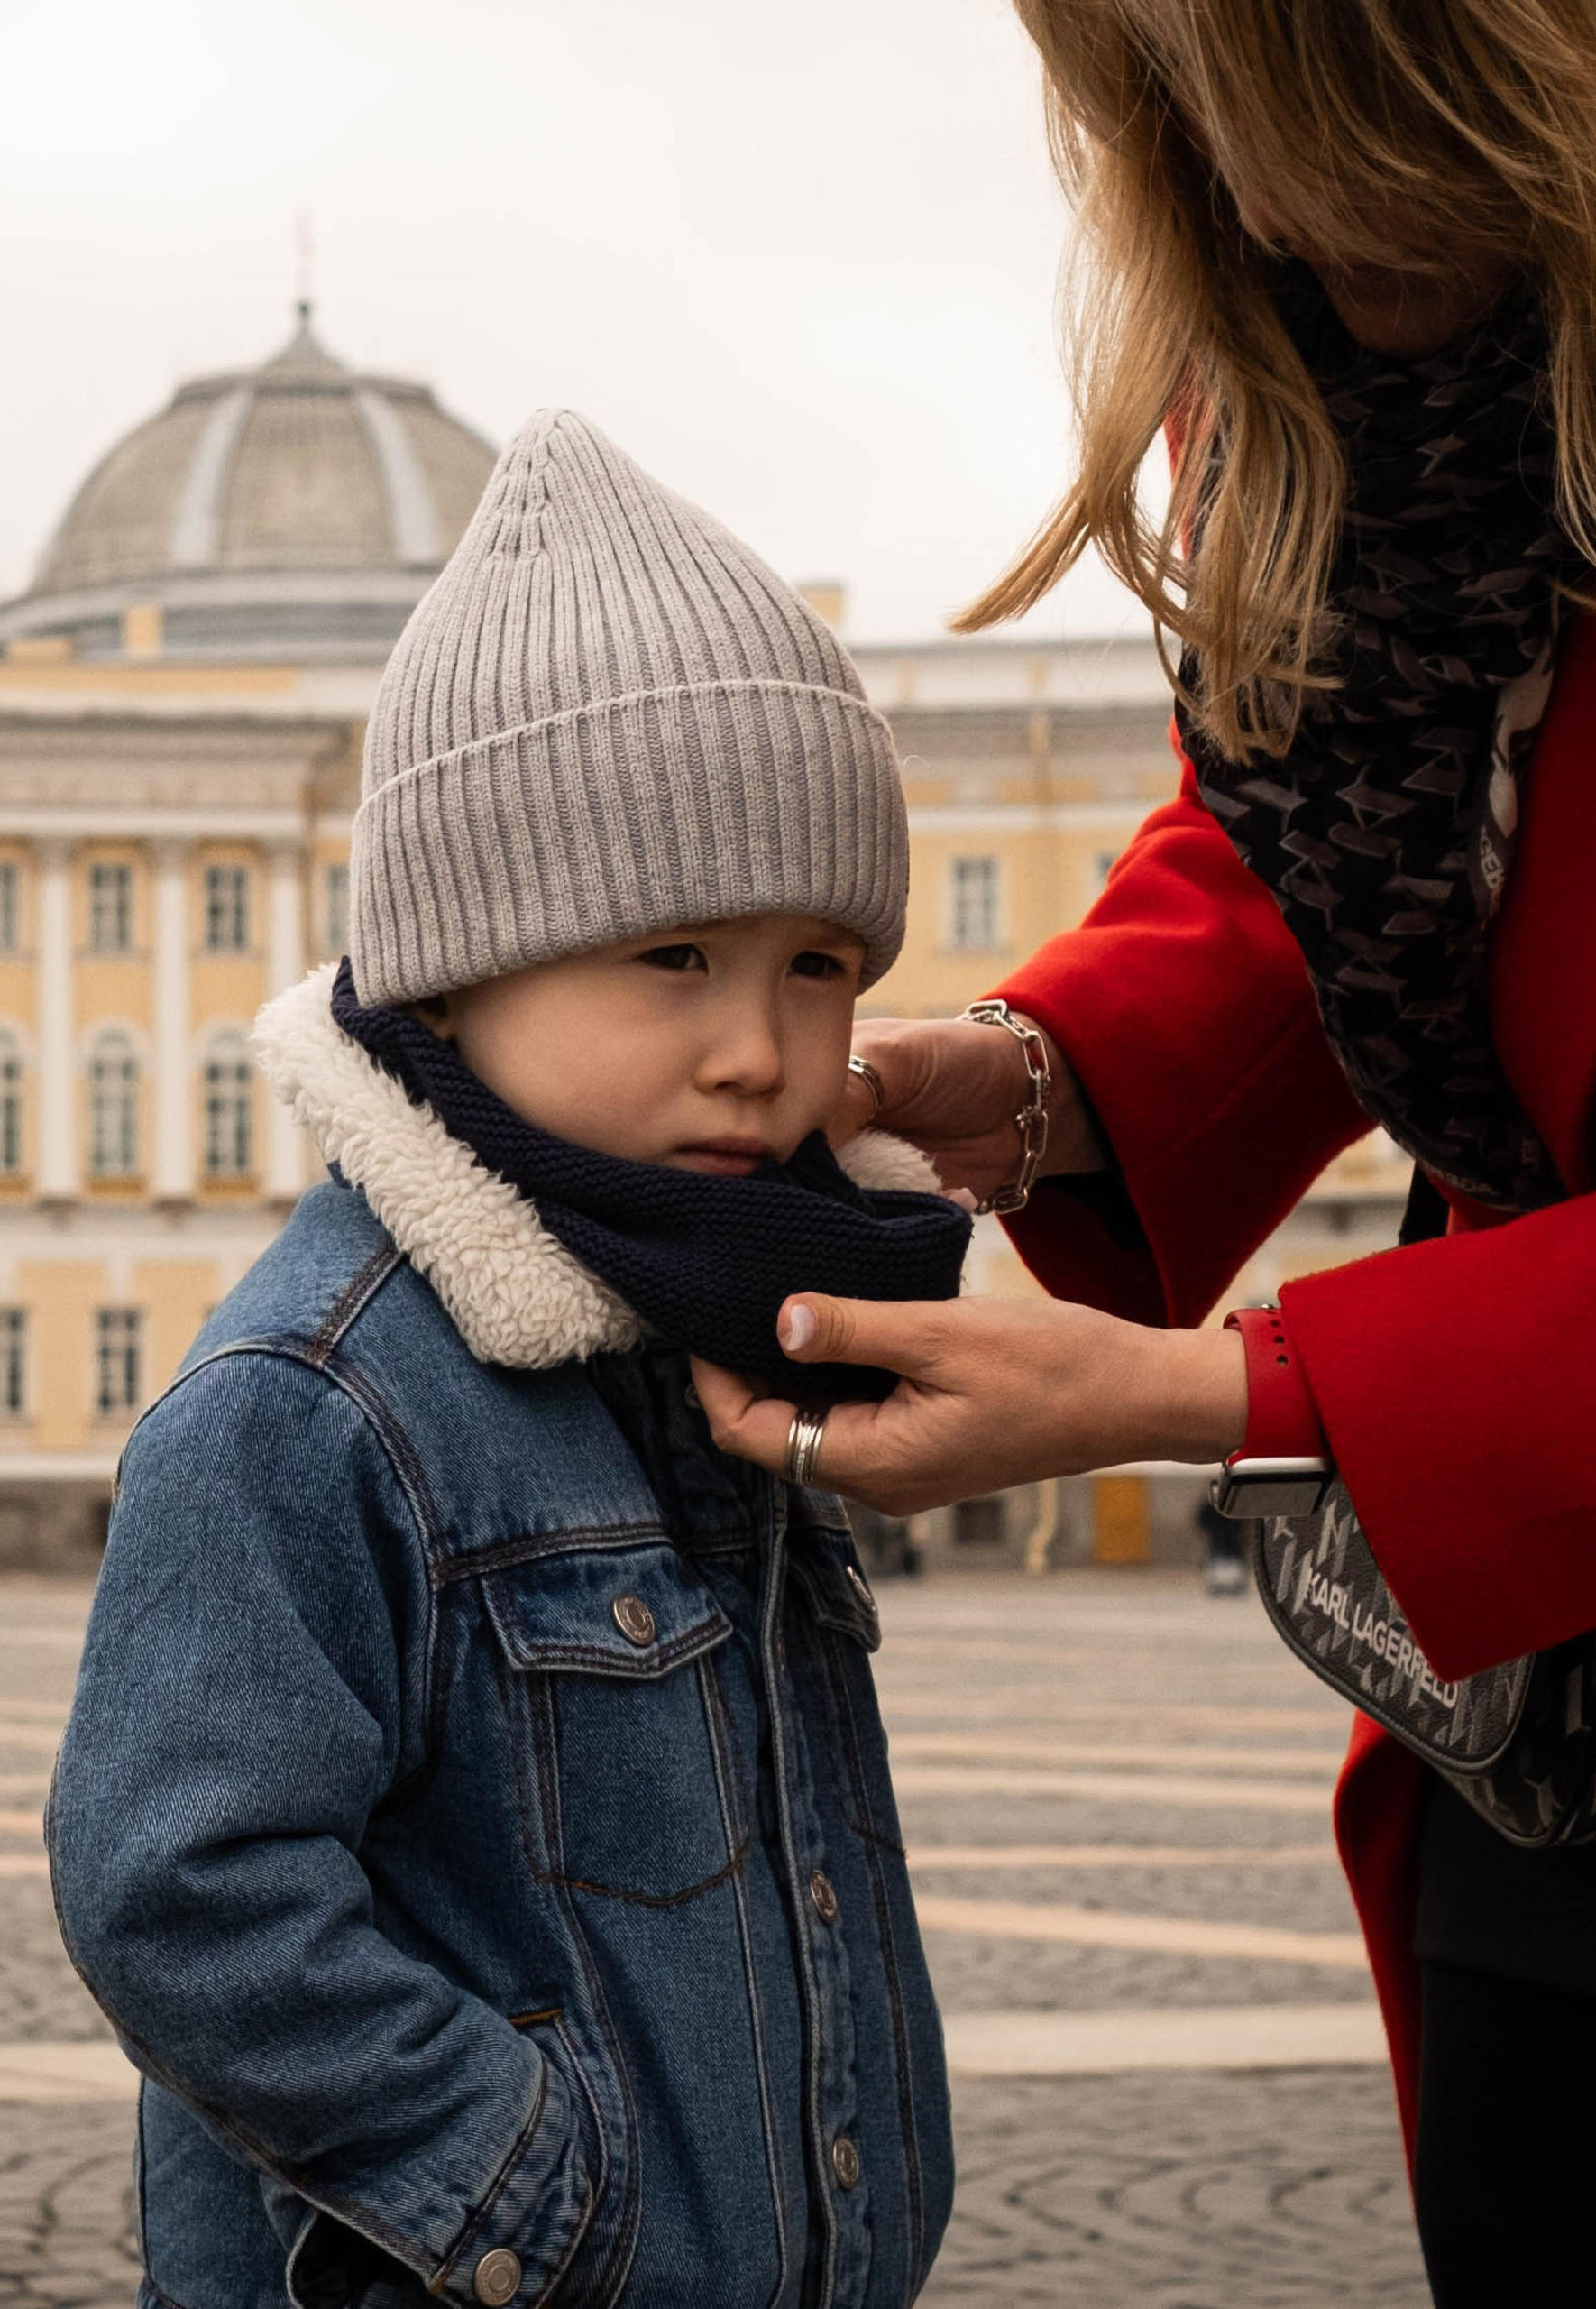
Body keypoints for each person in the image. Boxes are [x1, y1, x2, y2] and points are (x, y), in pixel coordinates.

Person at [689, 5, 1596, 2298]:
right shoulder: (1287, 354)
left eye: (1240, 78)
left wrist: (1218, 1399)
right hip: (1547, 1680)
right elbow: (1321, 850)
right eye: (1141, 84)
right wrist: (1016, 1070)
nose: (1208, 164)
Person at [53, 411, 975, 2309]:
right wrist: (535, 2189)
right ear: (454, 968)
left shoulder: (709, 1321)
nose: (760, 1049)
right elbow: (180, 1885)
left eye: (815, 961)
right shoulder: (309, 1401)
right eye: (671, 956)